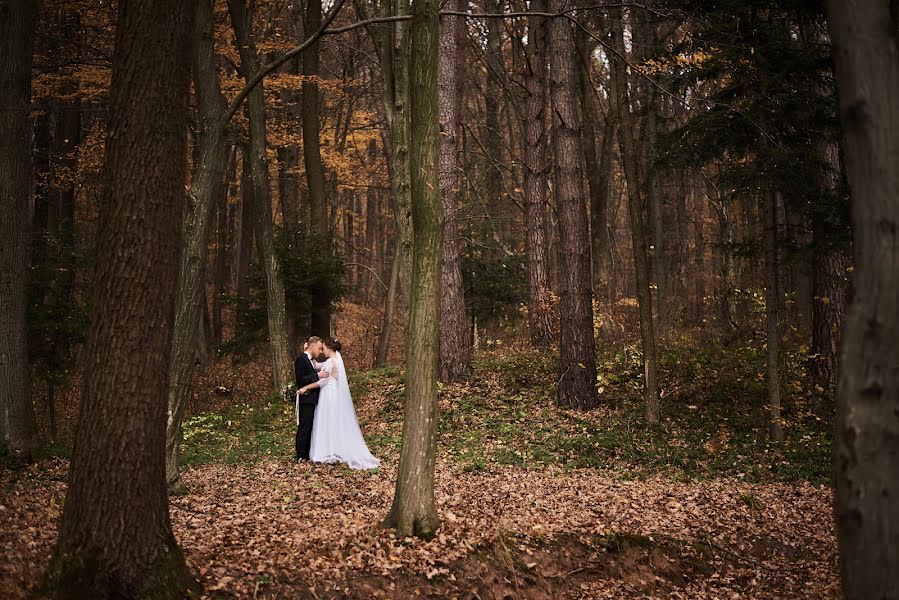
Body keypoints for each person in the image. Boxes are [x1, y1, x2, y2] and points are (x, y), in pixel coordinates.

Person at [297, 337, 380, 470]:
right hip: (332, 395)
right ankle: (334, 448)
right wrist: (308, 353)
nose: (322, 350)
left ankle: (328, 450)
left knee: (327, 421)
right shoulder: (334, 361)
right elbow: (318, 366)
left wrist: (306, 387)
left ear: (329, 348)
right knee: (332, 422)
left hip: (328, 396)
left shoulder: (331, 362)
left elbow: (322, 381)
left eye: (323, 348)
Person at [294, 336, 329, 461]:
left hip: (311, 399)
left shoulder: (309, 360)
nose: (320, 351)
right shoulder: (301, 360)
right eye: (319, 348)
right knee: (304, 427)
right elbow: (301, 380)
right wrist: (317, 375)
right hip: (306, 399)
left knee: (309, 427)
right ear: (312, 346)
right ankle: (300, 456)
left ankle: (306, 455)